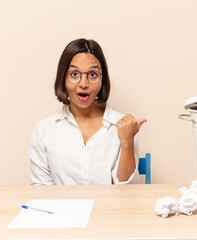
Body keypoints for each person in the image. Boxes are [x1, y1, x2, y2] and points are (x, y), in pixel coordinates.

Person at [28, 38, 147, 185]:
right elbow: (41, 192)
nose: (83, 84)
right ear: (63, 78)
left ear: (102, 79)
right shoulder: (44, 130)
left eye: (92, 75)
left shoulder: (123, 126)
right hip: (62, 208)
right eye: (74, 74)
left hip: (110, 208)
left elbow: (129, 194)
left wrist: (127, 142)